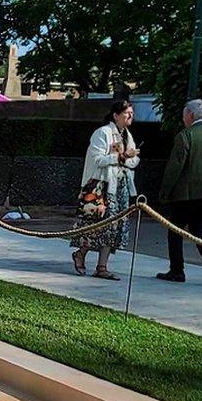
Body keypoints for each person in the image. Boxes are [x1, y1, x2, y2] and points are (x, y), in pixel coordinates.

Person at [70, 100, 140, 280]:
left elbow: (132, 161)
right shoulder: (103, 133)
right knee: (96, 224)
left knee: (114, 227)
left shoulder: (126, 135)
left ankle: (102, 266)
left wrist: (128, 158)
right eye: (127, 113)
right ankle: (81, 254)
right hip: (102, 187)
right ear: (116, 115)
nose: (130, 116)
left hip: (120, 187)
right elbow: (98, 159)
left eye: (132, 113)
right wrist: (123, 156)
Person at [156, 99, 202, 282]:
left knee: (175, 231)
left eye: (184, 115)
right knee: (200, 232)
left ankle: (177, 269)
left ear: (190, 115)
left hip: (186, 194)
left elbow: (175, 167)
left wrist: (165, 191)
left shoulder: (186, 135)